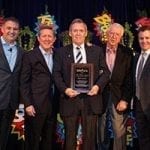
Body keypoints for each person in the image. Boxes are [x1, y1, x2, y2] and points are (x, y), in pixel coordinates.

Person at [53, 18, 110, 150]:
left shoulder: (96, 51)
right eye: (75, 31)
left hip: (91, 100)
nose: (78, 33)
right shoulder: (61, 52)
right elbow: (56, 75)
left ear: (86, 33)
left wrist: (97, 87)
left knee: (90, 140)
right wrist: (65, 89)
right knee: (69, 140)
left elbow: (106, 73)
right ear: (70, 33)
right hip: (69, 99)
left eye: (81, 30)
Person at [20, 26, 56, 150]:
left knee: (49, 140)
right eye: (44, 36)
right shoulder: (29, 56)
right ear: (38, 38)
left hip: (53, 106)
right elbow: (24, 82)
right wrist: (28, 104)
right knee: (32, 141)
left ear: (54, 39)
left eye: (50, 36)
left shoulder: (58, 55)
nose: (47, 39)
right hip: (35, 106)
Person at [99, 23, 133, 150]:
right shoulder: (97, 51)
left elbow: (130, 80)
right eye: (111, 33)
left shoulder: (128, 53)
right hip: (100, 96)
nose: (113, 37)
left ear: (121, 37)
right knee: (101, 130)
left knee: (119, 131)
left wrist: (125, 99)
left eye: (117, 35)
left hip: (119, 97)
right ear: (107, 34)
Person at [0, 17, 24, 150]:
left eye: (15, 29)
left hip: (11, 102)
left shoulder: (21, 52)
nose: (12, 31)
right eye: (9, 28)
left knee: (3, 137)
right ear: (2, 29)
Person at [134, 25, 150, 150]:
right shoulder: (136, 58)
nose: (144, 41)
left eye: (147, 38)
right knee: (143, 139)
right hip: (139, 106)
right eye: (141, 38)